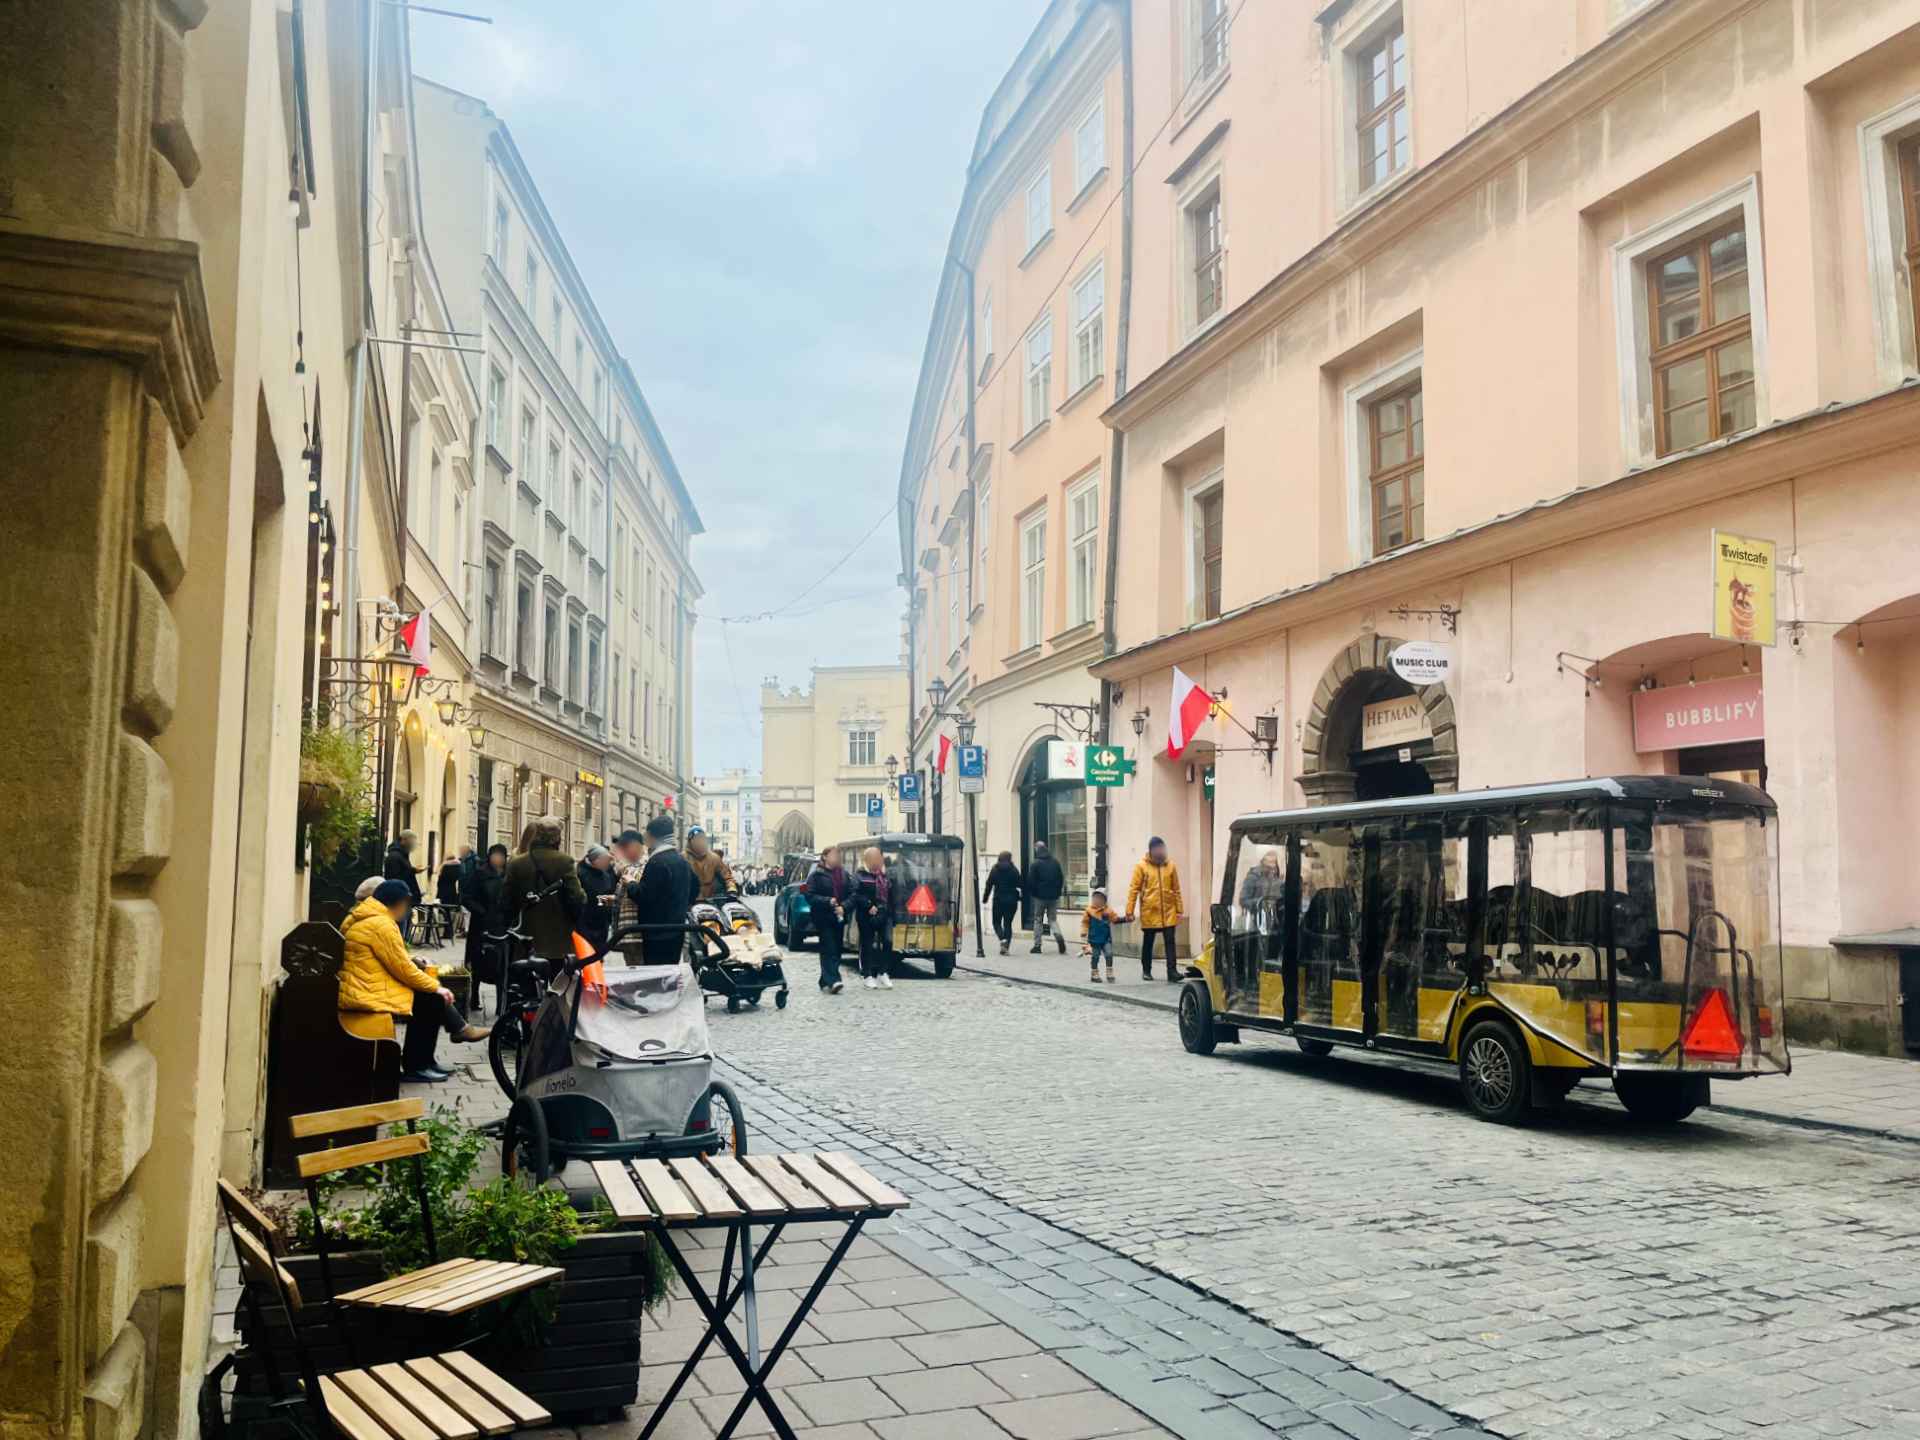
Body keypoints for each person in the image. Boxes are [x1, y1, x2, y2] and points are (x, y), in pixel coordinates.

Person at [339, 878, 488, 1083]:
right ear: (398, 902)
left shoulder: (369, 918)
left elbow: (394, 960)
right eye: (406, 904)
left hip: (363, 985)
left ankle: (426, 1061)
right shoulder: (381, 924)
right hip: (366, 991)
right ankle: (417, 1066)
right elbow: (403, 970)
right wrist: (437, 987)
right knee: (430, 998)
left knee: (428, 995)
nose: (407, 910)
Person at [503, 816, 586, 961]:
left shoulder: (517, 862)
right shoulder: (564, 861)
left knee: (526, 979)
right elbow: (577, 897)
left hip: (524, 937)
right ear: (556, 838)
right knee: (558, 981)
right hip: (558, 938)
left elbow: (505, 900)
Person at [630, 814, 697, 966]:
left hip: (656, 931)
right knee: (669, 973)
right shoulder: (681, 860)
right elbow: (695, 886)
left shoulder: (657, 862)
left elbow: (644, 896)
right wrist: (682, 905)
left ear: (653, 837)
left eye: (646, 836)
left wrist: (631, 884)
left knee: (656, 976)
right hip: (677, 929)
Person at [1125, 836, 1185, 983]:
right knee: (1148, 942)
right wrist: (1129, 910)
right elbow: (1134, 889)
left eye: (1162, 848)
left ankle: (1172, 972)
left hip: (1168, 911)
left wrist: (1179, 910)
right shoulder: (1141, 866)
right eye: (1157, 849)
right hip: (1150, 910)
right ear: (1151, 851)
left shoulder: (1170, 866)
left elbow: (1176, 889)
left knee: (1170, 942)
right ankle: (1146, 970)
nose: (1160, 851)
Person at [460, 844, 511, 984]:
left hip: (502, 925)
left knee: (501, 963)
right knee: (477, 959)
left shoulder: (509, 875)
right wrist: (482, 911)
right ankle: (474, 995)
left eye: (501, 856)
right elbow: (466, 897)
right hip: (481, 925)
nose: (498, 859)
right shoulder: (479, 873)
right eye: (495, 855)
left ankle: (501, 997)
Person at [806, 845, 851, 993]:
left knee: (837, 949)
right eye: (833, 855)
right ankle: (834, 980)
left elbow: (852, 895)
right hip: (823, 917)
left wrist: (843, 906)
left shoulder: (843, 874)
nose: (837, 858)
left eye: (838, 855)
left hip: (839, 916)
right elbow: (810, 896)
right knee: (829, 947)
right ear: (825, 857)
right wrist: (827, 901)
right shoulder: (816, 875)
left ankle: (824, 978)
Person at [852, 846, 894, 990]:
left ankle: (883, 972)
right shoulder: (860, 875)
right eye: (874, 858)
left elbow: (891, 896)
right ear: (867, 860)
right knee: (868, 944)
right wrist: (868, 905)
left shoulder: (886, 876)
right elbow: (855, 894)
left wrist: (893, 915)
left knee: (888, 941)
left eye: (879, 858)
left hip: (885, 914)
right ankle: (868, 975)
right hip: (866, 915)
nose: (878, 861)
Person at [1025, 841, 1067, 955]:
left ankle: (1037, 946)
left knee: (1038, 919)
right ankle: (1058, 936)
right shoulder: (1055, 862)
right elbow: (1060, 878)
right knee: (1052, 919)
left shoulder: (1035, 864)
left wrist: (1033, 893)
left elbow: (1031, 881)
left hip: (1040, 897)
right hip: (1054, 897)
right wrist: (1057, 892)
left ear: (1037, 850)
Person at [576, 844, 618, 951]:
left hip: (602, 924)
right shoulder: (580, 873)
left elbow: (609, 892)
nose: (608, 863)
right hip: (585, 923)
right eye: (606, 860)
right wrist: (609, 899)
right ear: (597, 860)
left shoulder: (606, 874)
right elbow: (589, 898)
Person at [983, 851, 1023, 956]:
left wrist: (985, 898)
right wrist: (1020, 898)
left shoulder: (995, 870)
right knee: (1008, 924)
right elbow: (1020, 885)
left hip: (998, 900)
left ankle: (1002, 939)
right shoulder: (1014, 870)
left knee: (996, 922)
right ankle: (1006, 946)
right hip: (1011, 901)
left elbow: (989, 884)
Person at [686, 828, 736, 901]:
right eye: (697, 839)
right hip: (689, 901)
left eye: (702, 839)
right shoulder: (683, 858)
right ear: (690, 842)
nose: (700, 842)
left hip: (711, 901)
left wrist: (732, 889)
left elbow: (727, 877)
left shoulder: (714, 858)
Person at [1081, 887, 1119, 984]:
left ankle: (1109, 972)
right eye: (1095, 898)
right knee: (1095, 956)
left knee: (1109, 954)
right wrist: (1083, 933)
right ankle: (1094, 974)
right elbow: (1085, 923)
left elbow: (1115, 919)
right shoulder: (1089, 911)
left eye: (1100, 898)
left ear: (1104, 900)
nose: (1097, 900)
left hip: (1106, 938)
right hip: (1094, 940)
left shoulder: (1108, 911)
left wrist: (1126, 919)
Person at [384, 829, 423, 905]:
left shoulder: (402, 854)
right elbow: (396, 877)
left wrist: (414, 870)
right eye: (412, 841)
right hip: (400, 899)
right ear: (404, 840)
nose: (413, 844)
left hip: (405, 898)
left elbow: (403, 871)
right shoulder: (395, 856)